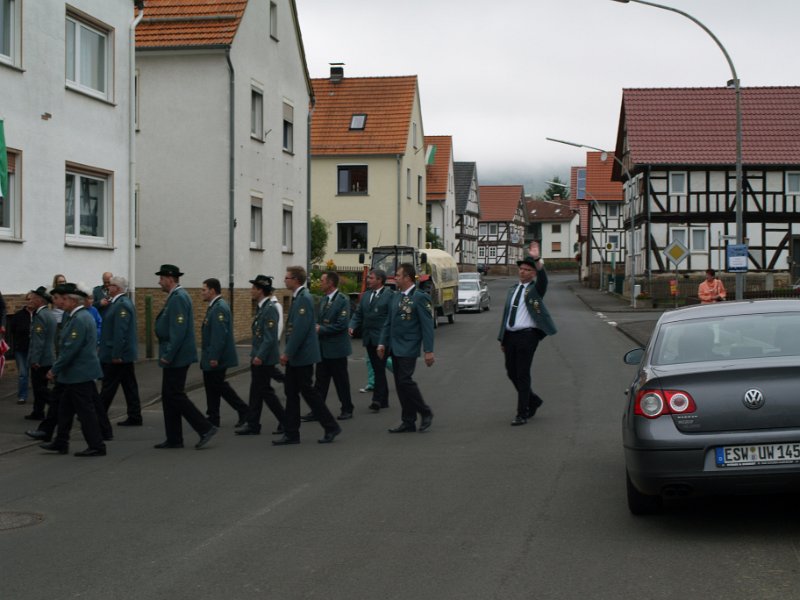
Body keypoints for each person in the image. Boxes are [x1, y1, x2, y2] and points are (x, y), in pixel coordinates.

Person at [274, 266, 341, 445]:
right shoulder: (299, 298)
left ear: (295, 279)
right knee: (292, 393)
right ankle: (291, 433)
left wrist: (287, 353)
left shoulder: (303, 298)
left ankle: (330, 426)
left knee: (309, 393)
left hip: (302, 356)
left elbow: (300, 330)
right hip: (298, 356)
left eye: (287, 277)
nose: (284, 280)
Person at [153, 264, 218, 450]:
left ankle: (205, 427)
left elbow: (179, 330)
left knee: (175, 394)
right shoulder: (175, 297)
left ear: (170, 279)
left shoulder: (179, 298)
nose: (159, 282)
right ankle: (174, 438)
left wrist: (168, 354)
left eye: (161, 278)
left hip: (177, 356)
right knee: (169, 396)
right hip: (175, 354)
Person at [39, 283, 107, 457]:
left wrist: (54, 369)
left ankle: (97, 445)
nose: (60, 302)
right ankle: (61, 442)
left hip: (79, 373)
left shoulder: (79, 319)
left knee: (86, 412)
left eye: (63, 299)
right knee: (65, 410)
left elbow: (70, 349)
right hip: (74, 374)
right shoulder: (75, 316)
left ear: (71, 300)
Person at [497, 243, 558, 426]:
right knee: (511, 372)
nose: (522, 272)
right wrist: (502, 337)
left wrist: (538, 259)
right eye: (521, 269)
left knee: (523, 373)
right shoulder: (513, 289)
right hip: (510, 336)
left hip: (527, 336)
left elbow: (544, 279)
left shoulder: (535, 290)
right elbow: (507, 314)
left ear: (533, 273)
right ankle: (533, 400)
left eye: (526, 269)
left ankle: (522, 412)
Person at [377, 262, 435, 433]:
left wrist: (428, 350)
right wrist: (382, 342)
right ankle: (408, 421)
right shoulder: (396, 296)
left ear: (407, 278)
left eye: (398, 275)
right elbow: (388, 322)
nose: (395, 278)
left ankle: (425, 412)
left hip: (409, 346)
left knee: (404, 381)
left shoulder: (420, 297)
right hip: (394, 346)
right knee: (400, 384)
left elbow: (427, 326)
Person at [235, 275, 286, 436]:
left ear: (260, 290)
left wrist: (260, 356)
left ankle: (285, 421)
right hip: (258, 356)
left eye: (254, 288)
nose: (251, 291)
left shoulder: (270, 308)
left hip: (263, 359)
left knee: (265, 392)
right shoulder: (261, 307)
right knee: (256, 392)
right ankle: (253, 424)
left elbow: (269, 337)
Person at [199, 277, 249, 428]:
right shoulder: (214, 306)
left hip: (216, 357)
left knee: (219, 386)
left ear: (212, 291)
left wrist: (214, 356)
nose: (202, 293)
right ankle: (213, 417)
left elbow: (219, 335)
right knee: (213, 386)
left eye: (204, 290)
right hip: (211, 355)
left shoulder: (219, 307)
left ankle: (243, 410)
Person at [306, 270, 354, 420]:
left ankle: (347, 408)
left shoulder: (342, 300)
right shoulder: (324, 300)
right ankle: (317, 410)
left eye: (322, 281)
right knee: (320, 382)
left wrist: (322, 329)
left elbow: (342, 325)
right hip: (323, 348)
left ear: (330, 283)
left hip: (337, 349)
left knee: (341, 382)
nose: (319, 283)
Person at [98, 276, 143, 427]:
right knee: (129, 385)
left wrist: (117, 354)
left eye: (110, 286)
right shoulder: (117, 303)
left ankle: (98, 415)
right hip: (122, 354)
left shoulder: (121, 305)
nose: (108, 288)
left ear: (116, 288)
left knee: (109, 386)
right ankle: (135, 415)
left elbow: (120, 332)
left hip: (118, 354)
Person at [350, 268, 394, 412]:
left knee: (379, 368)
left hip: (382, 339)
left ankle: (377, 400)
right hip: (369, 338)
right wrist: (352, 326)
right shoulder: (366, 295)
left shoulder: (389, 295)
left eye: (371, 278)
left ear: (380, 280)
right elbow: (358, 313)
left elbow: (391, 317)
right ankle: (385, 399)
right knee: (377, 368)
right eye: (368, 277)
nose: (368, 280)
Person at [25, 286, 57, 421]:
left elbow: (39, 341)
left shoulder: (40, 316)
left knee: (40, 388)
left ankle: (57, 407)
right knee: (41, 387)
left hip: (41, 359)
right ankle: (38, 412)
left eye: (33, 298)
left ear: (40, 300)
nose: (30, 300)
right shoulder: (50, 314)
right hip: (49, 356)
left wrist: (35, 359)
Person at [7, 294, 34, 404]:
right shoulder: (19, 315)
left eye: (32, 299)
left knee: (37, 375)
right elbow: (12, 330)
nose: (30, 301)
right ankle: (22, 396)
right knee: (23, 373)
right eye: (28, 299)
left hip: (34, 349)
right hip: (21, 349)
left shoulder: (39, 314)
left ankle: (40, 396)